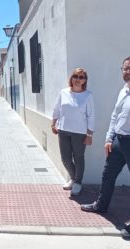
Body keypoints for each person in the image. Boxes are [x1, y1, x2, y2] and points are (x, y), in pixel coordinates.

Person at [81, 56, 130, 238]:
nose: (128, 72)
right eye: (125, 69)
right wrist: (109, 138)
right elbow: (116, 115)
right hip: (118, 141)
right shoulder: (124, 90)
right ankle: (101, 205)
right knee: (107, 175)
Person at [52, 68, 95, 196]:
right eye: (75, 76)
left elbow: (91, 116)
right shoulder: (63, 92)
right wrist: (53, 123)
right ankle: (73, 178)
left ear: (85, 80)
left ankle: (78, 183)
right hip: (63, 130)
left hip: (80, 133)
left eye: (81, 77)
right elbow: (57, 109)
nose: (78, 79)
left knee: (78, 158)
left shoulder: (88, 95)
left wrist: (89, 134)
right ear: (71, 78)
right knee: (65, 158)